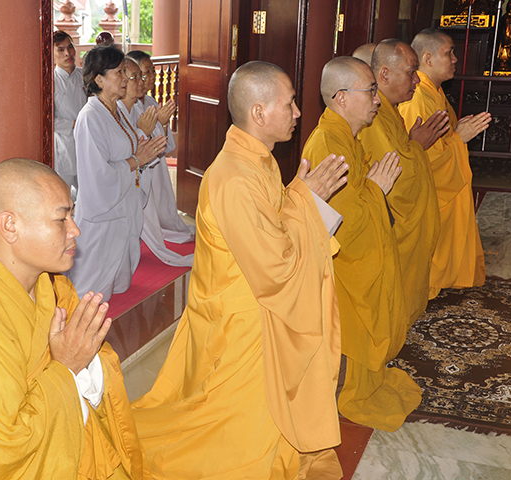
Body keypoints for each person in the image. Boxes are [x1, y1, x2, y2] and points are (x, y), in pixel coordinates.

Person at [132, 61, 349, 479]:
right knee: (221, 437)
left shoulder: (258, 161)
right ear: (259, 112)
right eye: (289, 103)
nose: (297, 112)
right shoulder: (235, 177)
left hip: (252, 304)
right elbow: (275, 266)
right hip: (242, 318)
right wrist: (308, 202)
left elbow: (273, 225)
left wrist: (301, 198)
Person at [0, 158, 149, 479]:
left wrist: (78, 361)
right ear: (10, 225)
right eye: (61, 219)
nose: (75, 230)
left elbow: (93, 361)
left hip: (76, 450)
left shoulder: (52, 286)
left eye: (72, 214)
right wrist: (65, 368)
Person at [302, 56, 423, 432]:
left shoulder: (345, 137)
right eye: (370, 91)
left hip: (357, 256)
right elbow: (341, 222)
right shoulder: (328, 143)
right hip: (341, 266)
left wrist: (371, 188)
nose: (376, 99)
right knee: (352, 331)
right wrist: (375, 189)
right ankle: (344, 388)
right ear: (341, 97)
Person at [357, 39, 448, 325]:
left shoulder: (389, 110)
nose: (417, 81)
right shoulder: (374, 116)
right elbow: (394, 176)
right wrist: (417, 146)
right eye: (411, 73)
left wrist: (413, 145)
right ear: (384, 74)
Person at [67, 46, 167, 301]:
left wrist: (143, 153)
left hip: (125, 205)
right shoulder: (91, 117)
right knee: (88, 293)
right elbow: (98, 175)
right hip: (104, 211)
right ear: (99, 79)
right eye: (119, 72)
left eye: (125, 72)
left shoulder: (117, 111)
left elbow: (130, 154)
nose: (126, 79)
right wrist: (136, 161)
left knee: (118, 286)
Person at [399, 29, 490, 298]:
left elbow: (440, 141)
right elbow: (423, 155)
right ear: (427, 58)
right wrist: (458, 139)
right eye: (449, 52)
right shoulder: (417, 97)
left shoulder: (433, 93)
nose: (455, 59)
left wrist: (457, 136)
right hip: (429, 191)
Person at [118, 57, 193, 267]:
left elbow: (163, 145)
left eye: (145, 75)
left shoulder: (144, 104)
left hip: (151, 166)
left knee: (156, 206)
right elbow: (126, 148)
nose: (143, 81)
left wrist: (162, 124)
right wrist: (147, 129)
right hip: (132, 171)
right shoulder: (117, 111)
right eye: (137, 76)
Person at [53, 30, 86, 199]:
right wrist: (74, 123)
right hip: (63, 145)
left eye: (70, 47)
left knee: (88, 192)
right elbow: (49, 120)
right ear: (52, 54)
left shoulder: (85, 76)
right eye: (60, 49)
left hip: (86, 140)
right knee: (63, 195)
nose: (67, 53)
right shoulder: (50, 81)